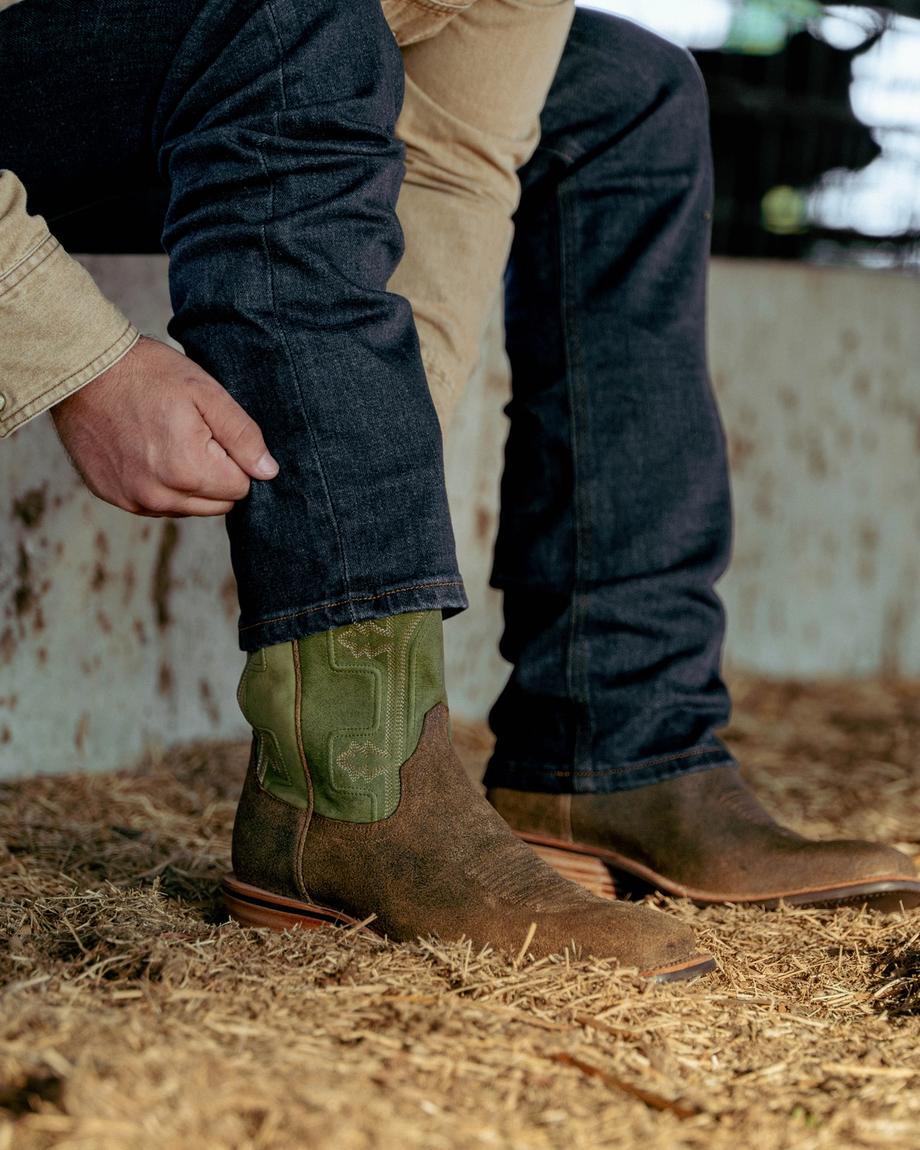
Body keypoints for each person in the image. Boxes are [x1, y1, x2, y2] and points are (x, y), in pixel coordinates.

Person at [0, 0, 914, 981]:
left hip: (262, 80)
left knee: (626, 96)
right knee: (292, 18)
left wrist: (360, 464)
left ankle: (615, 752)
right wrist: (80, 360)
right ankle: (349, 799)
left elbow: (447, 160)